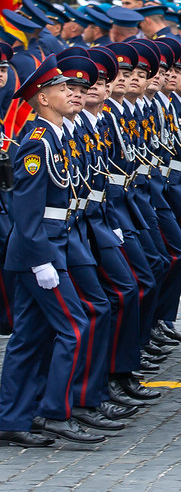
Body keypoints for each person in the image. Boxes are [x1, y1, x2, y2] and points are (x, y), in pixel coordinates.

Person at [0, 55, 106, 446]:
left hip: (51, 243)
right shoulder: (36, 143)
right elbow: (25, 213)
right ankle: (53, 413)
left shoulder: (58, 138)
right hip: (39, 249)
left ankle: (11, 419)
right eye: (65, 89)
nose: (75, 95)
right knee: (74, 327)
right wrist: (42, 261)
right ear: (42, 98)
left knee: (29, 337)